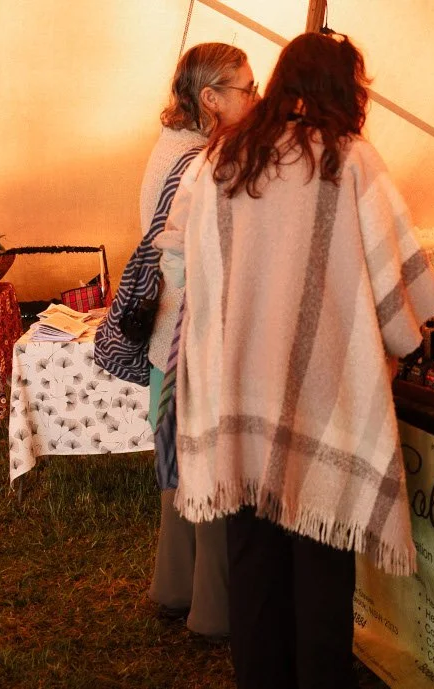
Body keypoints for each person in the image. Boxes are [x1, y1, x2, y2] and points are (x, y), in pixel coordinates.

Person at [158, 32, 434, 688]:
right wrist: (399, 337)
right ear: (343, 89)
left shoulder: (221, 158)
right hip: (324, 396)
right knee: (321, 561)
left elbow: (182, 256)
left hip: (237, 392)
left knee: (252, 555)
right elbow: (399, 290)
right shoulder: (350, 159)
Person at [141, 42, 258, 639]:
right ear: (211, 98)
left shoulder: (171, 146)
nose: (256, 98)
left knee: (177, 468)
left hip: (169, 334)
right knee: (208, 469)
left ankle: (175, 588)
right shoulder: (203, 160)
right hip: (192, 337)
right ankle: (215, 611)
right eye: (247, 88)